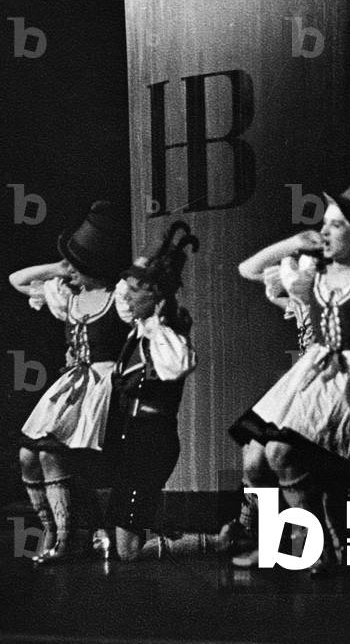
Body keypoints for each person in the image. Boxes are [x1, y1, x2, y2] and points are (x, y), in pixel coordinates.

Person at [227, 174, 350, 572]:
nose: (324, 231)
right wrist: (294, 243)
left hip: (349, 377)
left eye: (336, 224)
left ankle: (313, 546)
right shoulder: (311, 274)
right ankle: (273, 546)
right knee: (253, 458)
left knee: (280, 451)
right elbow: (248, 269)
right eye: (324, 223)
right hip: (310, 376)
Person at [9, 201, 132, 562]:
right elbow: (17, 280)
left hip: (103, 385)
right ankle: (51, 528)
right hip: (71, 385)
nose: (68, 273)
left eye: (76, 266)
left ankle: (65, 541)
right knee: (26, 454)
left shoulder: (118, 297)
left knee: (50, 452)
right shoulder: (68, 296)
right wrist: (59, 266)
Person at [106, 221, 200, 561]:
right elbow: (122, 292)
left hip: (151, 442)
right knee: (123, 541)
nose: (126, 295)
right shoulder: (140, 328)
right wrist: (154, 250)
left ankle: (218, 541)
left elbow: (180, 365)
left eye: (136, 290)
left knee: (129, 552)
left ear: (155, 296)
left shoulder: (165, 336)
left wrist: (159, 323)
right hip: (130, 440)